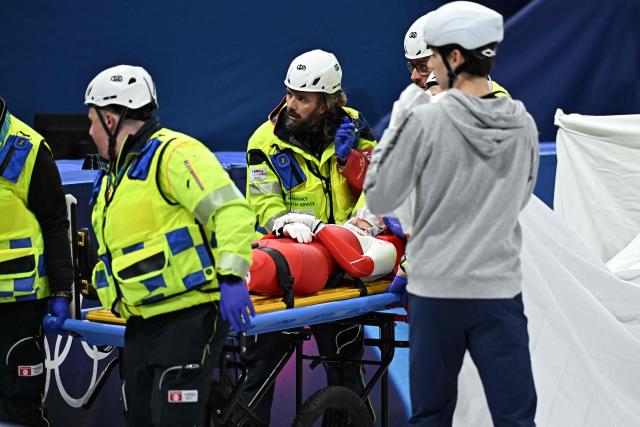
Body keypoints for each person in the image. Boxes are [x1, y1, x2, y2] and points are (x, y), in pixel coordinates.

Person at [365, 2, 539, 426]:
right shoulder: (523, 123)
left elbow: (381, 195)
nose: (426, 70)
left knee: (431, 416)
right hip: (498, 291)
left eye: (435, 56)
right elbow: (521, 197)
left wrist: (400, 121)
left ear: (455, 58)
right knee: (515, 417)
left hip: (437, 292)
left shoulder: (422, 120)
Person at [84, 65, 256, 427]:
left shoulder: (176, 155)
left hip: (190, 318)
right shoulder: (114, 175)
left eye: (93, 121)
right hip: (141, 322)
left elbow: (232, 211)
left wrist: (231, 277)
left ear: (112, 120)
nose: (90, 132)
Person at [243, 49, 377, 422]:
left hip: (342, 267)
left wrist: (361, 221)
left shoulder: (355, 126)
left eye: (302, 98)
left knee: (346, 371)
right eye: (289, 93)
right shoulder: (264, 141)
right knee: (259, 368)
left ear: (326, 102)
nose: (291, 104)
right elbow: (261, 202)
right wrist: (283, 221)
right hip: (290, 264)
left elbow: (381, 184)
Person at [0, 98, 73, 425]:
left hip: (20, 303)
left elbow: (56, 222)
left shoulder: (27, 149)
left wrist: (61, 291)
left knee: (21, 402)